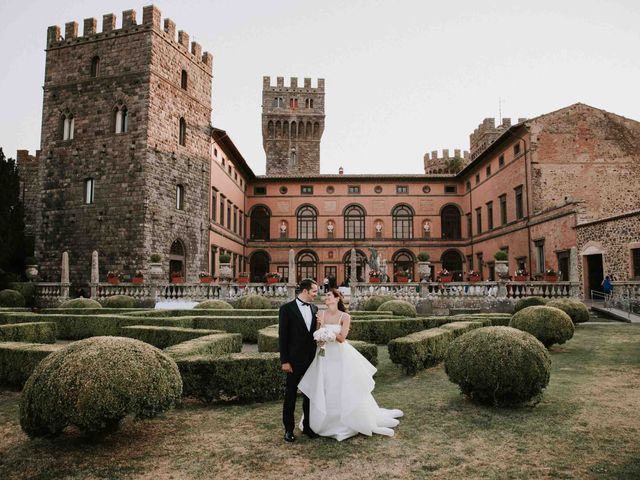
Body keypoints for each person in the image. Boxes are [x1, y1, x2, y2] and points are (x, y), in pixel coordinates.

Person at [298, 289, 403, 441]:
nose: (325, 298)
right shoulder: (320, 315)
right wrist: (320, 336)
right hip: (324, 355)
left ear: (336, 299)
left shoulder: (345, 316)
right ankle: (319, 422)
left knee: (342, 386)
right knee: (325, 385)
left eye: (328, 295)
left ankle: (347, 421)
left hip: (339, 355)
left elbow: (342, 338)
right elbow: (316, 334)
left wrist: (329, 335)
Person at [279, 278, 320, 443]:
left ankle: (308, 426)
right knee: (290, 396)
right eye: (314, 291)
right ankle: (288, 430)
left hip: (311, 359)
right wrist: (285, 361)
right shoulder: (286, 309)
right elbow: (283, 337)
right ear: (305, 291)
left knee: (309, 395)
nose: (316, 294)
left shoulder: (315, 308)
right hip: (293, 361)